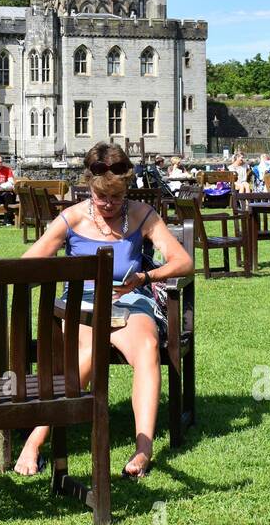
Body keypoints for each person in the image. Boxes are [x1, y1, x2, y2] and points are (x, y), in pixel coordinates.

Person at [13, 142, 192, 479]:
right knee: (87, 355)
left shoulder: (142, 214)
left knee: (148, 347)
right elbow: (28, 263)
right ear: (89, 187)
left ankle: (144, 447)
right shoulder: (72, 218)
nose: (109, 205)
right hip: (82, 303)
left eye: (117, 197)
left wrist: (145, 275)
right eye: (102, 197)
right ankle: (35, 439)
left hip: (130, 300)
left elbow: (183, 261)